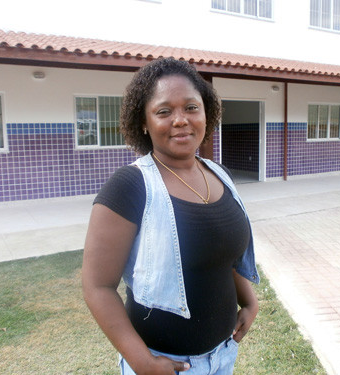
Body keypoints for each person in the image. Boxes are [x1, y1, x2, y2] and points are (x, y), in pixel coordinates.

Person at [82, 57, 260, 375]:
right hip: (163, 363)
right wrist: (143, 363)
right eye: (164, 111)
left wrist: (249, 301)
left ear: (207, 113)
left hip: (223, 355)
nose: (181, 120)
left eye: (191, 107)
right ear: (144, 122)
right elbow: (97, 286)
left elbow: (222, 253)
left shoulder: (218, 174)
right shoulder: (130, 186)